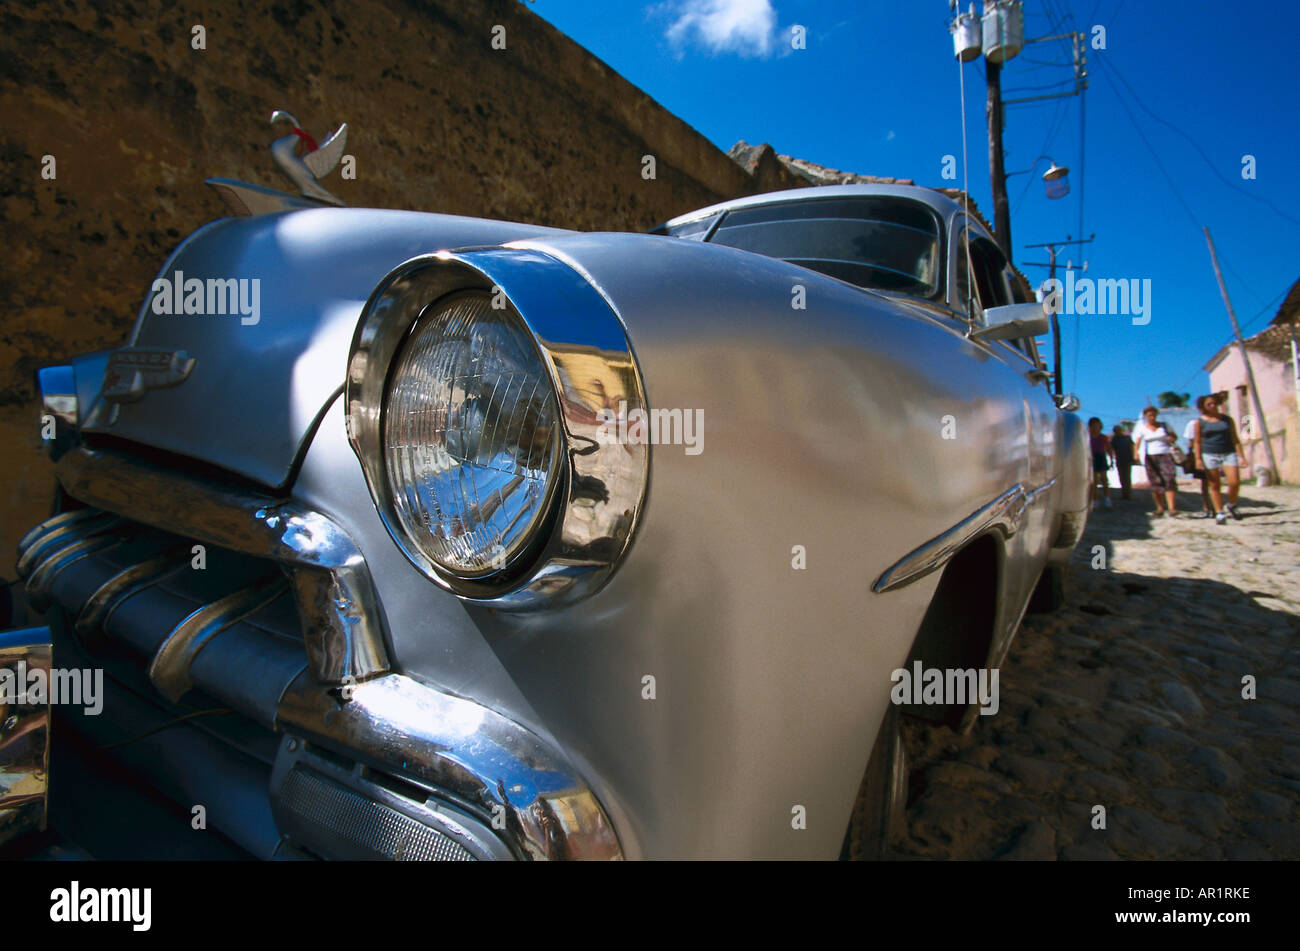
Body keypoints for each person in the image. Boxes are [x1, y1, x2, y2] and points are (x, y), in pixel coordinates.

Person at [1193, 393, 1249, 525]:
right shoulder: (1199, 422)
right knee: (1214, 484)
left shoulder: (1227, 420)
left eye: (1214, 403)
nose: (1212, 406)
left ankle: (1232, 504)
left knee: (1234, 482)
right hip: (1210, 454)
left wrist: (1242, 456)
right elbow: (1197, 442)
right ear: (1204, 407)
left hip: (1228, 452)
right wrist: (1198, 459)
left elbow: (1235, 438)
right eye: (1209, 404)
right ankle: (1219, 512)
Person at [1133, 405, 1179, 516]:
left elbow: (1174, 437)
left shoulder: (1164, 426)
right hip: (1150, 456)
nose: (1152, 417)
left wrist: (1170, 438)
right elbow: (1137, 443)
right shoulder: (1142, 428)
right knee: (1155, 482)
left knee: (1169, 479)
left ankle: (1172, 508)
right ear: (1146, 416)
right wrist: (1136, 454)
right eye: (1149, 415)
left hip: (1165, 454)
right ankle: (1160, 508)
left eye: (1154, 415)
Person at [1183, 400, 1213, 517]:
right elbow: (1191, 442)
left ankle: (1214, 506)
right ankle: (1208, 507)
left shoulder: (1223, 421)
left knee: (1213, 482)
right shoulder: (1194, 423)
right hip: (1202, 455)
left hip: (1218, 453)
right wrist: (1193, 457)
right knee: (1206, 482)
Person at [1088, 417, 1114, 509]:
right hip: (1092, 458)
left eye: (1097, 424)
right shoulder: (1088, 437)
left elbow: (1109, 449)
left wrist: (1111, 460)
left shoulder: (1103, 437)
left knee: (1104, 479)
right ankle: (1095, 499)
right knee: (1094, 480)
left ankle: (1107, 498)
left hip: (1101, 457)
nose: (1096, 427)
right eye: (1093, 425)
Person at [1111, 425, 1134, 500]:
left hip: (1127, 459)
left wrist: (1133, 458)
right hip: (1119, 460)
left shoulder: (1127, 438)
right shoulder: (1114, 440)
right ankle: (1124, 493)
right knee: (1121, 477)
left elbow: (1132, 447)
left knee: (1127, 476)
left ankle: (1128, 493)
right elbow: (1111, 449)